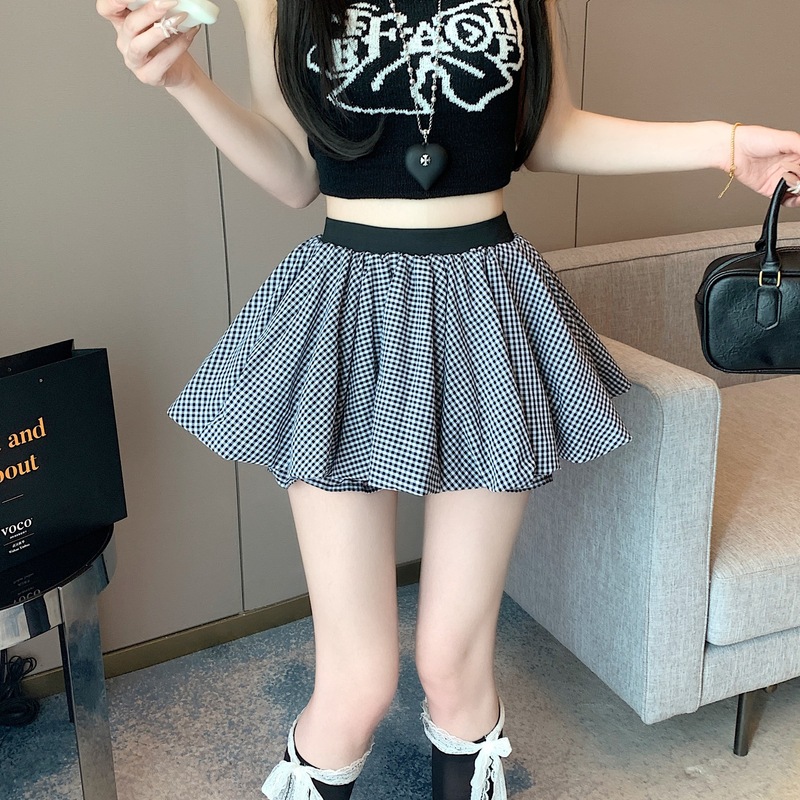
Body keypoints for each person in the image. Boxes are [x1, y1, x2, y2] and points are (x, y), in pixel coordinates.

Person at [96, 1, 800, 798]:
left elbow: (549, 134)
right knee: (357, 682)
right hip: (350, 308)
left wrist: (725, 144)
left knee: (454, 667)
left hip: (483, 306)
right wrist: (184, 79)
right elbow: (297, 172)